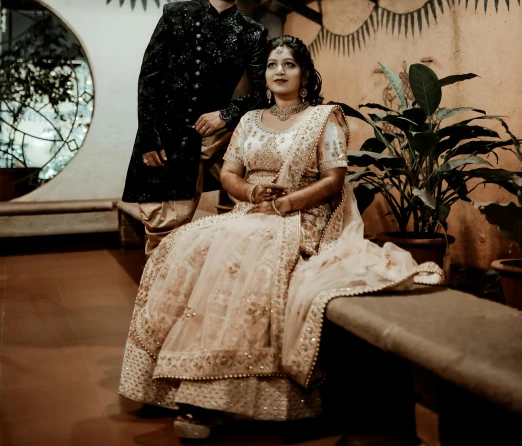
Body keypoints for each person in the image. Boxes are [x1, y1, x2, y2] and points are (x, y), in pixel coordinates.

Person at [119, 35, 442, 438]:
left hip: (302, 217)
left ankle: (217, 395)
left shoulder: (325, 117)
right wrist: (253, 193)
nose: (279, 71)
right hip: (249, 212)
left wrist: (286, 205)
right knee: (182, 244)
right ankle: (176, 378)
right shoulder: (250, 120)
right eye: (272, 65)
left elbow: (333, 180)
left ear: (304, 73)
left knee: (249, 250)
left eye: (288, 64)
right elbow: (231, 174)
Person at [122, 0, 268, 255]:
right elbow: (150, 76)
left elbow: (262, 92)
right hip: (166, 135)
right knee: (161, 230)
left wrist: (226, 114)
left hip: (214, 136)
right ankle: (157, 300)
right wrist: (149, 136)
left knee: (245, 210)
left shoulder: (252, 32)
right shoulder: (175, 15)